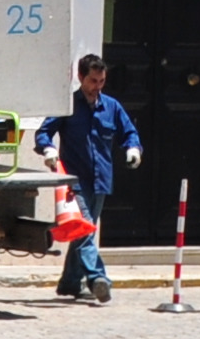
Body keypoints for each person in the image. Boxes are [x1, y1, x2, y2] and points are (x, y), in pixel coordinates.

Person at [32, 54, 141, 305]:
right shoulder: (67, 105)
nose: (97, 86)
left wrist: (133, 148)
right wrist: (48, 149)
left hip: (101, 179)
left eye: (101, 81)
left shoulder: (112, 106)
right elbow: (43, 133)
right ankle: (98, 278)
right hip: (74, 180)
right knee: (85, 227)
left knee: (84, 231)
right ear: (80, 77)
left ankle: (70, 283)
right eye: (93, 81)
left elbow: (129, 132)